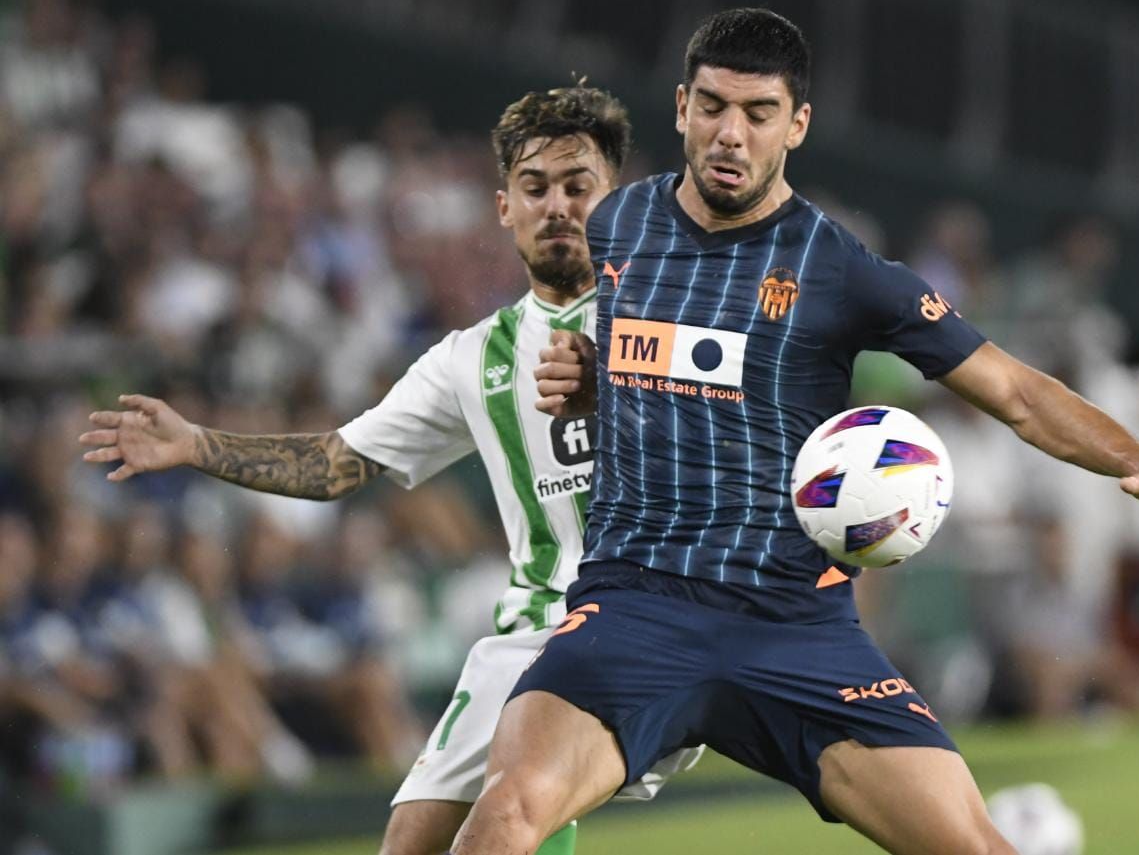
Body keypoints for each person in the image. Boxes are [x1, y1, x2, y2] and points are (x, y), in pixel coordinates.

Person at [451, 8, 1139, 855]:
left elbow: (1016, 391)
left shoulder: (839, 267)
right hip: (634, 607)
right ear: (683, 106)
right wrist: (595, 379)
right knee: (500, 821)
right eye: (714, 106)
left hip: (793, 625)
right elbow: (617, 343)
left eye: (760, 113)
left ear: (797, 124)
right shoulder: (618, 224)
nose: (732, 133)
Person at [78, 85, 698, 855]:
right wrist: (197, 444)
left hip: (649, 616)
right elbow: (338, 464)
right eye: (535, 187)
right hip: (533, 630)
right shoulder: (472, 358)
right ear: (504, 207)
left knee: (506, 815)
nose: (557, 207)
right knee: (410, 840)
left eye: (579, 186)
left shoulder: (671, 311)